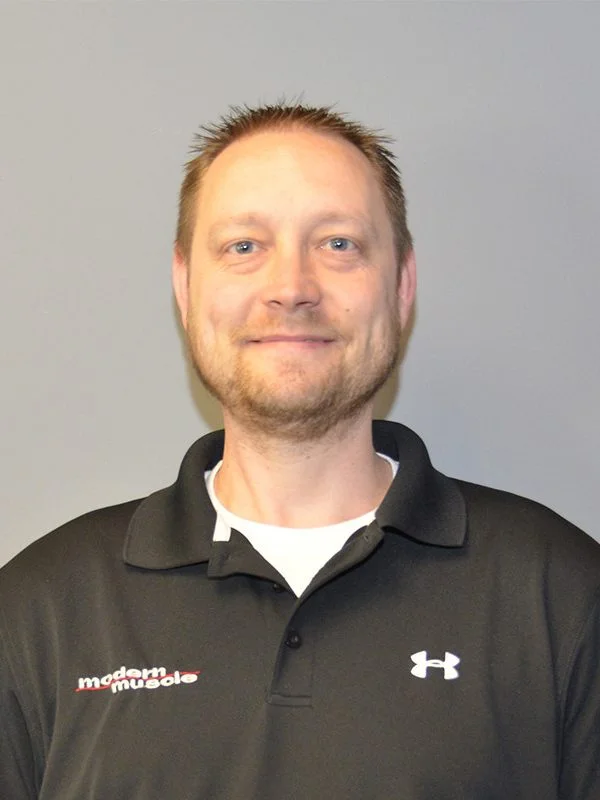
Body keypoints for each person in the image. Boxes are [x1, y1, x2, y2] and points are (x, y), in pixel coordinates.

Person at [1, 100, 598, 800]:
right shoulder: (41, 607)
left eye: (338, 244)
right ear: (185, 288)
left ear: (402, 286)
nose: (290, 289)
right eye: (243, 247)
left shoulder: (561, 595)